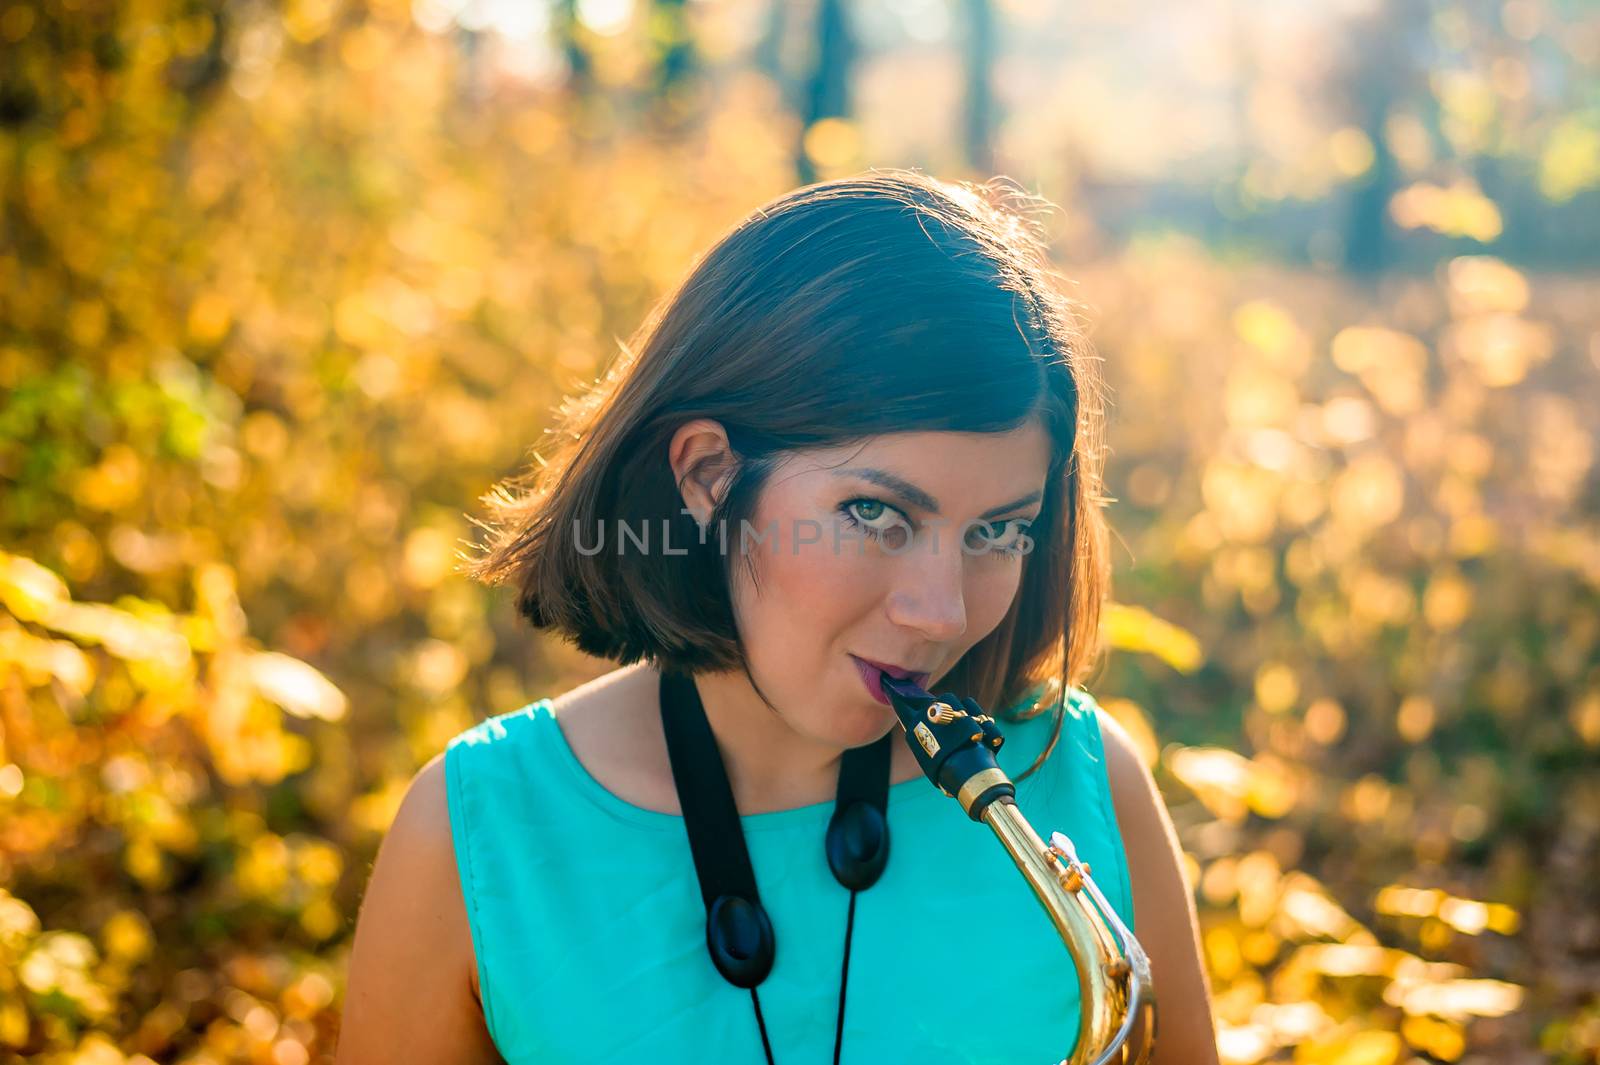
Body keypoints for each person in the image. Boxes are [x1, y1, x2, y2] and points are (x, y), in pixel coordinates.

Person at [336, 171, 1218, 1064]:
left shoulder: (1084, 780)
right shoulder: (477, 832)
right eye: (878, 514)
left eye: (999, 529)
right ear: (708, 476)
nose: (941, 612)